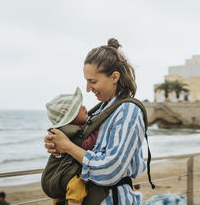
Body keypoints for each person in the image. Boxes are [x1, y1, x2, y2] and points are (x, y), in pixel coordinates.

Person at [44, 38, 151, 205]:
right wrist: (57, 145)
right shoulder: (100, 110)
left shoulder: (128, 112)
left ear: (114, 77)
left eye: (93, 82)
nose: (88, 89)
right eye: (87, 81)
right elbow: (83, 145)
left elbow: (110, 170)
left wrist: (68, 147)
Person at [45, 87, 92, 205]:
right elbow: (87, 144)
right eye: (78, 108)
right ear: (70, 118)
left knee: (61, 195)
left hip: (55, 177)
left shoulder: (61, 132)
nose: (84, 107)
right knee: (77, 186)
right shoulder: (72, 132)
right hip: (65, 174)